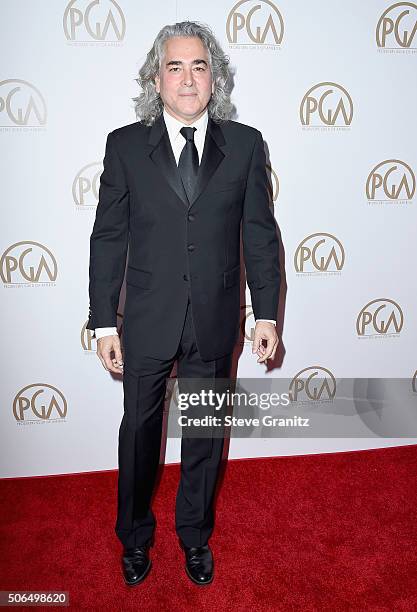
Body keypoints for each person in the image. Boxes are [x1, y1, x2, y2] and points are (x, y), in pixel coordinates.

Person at [86, 20, 280, 586]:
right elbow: (108, 238)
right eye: (175, 66)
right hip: (146, 318)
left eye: (199, 66)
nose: (188, 78)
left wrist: (264, 313)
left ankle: (194, 536)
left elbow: (260, 235)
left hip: (217, 321)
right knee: (139, 435)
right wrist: (103, 322)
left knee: (203, 436)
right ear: (156, 78)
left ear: (214, 78)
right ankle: (134, 536)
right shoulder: (124, 145)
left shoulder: (245, 144)